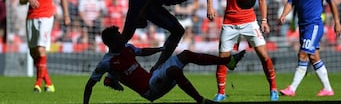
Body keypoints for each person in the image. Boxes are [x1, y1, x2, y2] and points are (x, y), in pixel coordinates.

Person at [83, 26, 245, 104]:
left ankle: (228, 61)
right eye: (118, 36)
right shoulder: (106, 62)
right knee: (174, 71)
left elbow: (142, 51)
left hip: (152, 78)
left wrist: (160, 48)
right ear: (111, 42)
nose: (121, 37)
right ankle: (201, 101)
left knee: (186, 55)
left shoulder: (128, 49)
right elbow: (89, 85)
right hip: (149, 90)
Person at [206, 0, 279, 102]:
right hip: (229, 22)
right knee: (222, 59)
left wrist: (264, 20)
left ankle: (273, 89)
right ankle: (221, 92)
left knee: (264, 56)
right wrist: (210, 6)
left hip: (250, 22)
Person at [278, 0, 341, 97]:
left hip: (314, 26)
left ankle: (292, 89)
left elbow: (332, 3)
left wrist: (337, 22)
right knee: (313, 56)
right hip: (303, 26)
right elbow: (290, 2)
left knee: (303, 54)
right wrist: (284, 15)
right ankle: (327, 89)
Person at [19, 0, 71, 93]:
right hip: (31, 16)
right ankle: (48, 83)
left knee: (41, 49)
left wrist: (66, 15)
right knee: (33, 52)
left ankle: (37, 84)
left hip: (47, 15)